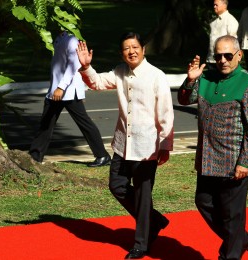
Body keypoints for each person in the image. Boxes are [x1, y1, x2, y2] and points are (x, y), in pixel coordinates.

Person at [76, 32, 174, 259]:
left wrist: (165, 144)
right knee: (117, 185)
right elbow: (97, 82)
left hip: (147, 147)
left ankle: (141, 244)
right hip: (122, 143)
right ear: (122, 53)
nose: (131, 51)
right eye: (126, 48)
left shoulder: (156, 76)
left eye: (135, 47)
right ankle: (154, 219)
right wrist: (86, 67)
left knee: (142, 194)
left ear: (143, 49)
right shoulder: (120, 72)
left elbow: (165, 113)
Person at [178, 35, 248, 259]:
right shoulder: (206, 77)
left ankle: (230, 254)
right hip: (207, 158)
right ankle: (241, 239)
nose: (223, 60)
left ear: (239, 55)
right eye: (218, 56)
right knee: (203, 201)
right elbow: (184, 100)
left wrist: (245, 162)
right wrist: (190, 80)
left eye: (228, 55)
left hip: (233, 161)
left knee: (232, 214)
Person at [29, 31, 111, 167]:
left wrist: (61, 87)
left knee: (83, 123)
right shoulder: (59, 38)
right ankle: (35, 157)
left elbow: (73, 66)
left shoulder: (71, 40)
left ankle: (103, 155)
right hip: (57, 90)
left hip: (68, 91)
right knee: (46, 124)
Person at [206, 0, 239, 70]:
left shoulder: (231, 21)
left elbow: (233, 42)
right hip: (211, 58)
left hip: (223, 60)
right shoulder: (213, 21)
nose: (214, 7)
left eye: (216, 5)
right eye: (214, 5)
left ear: (224, 6)